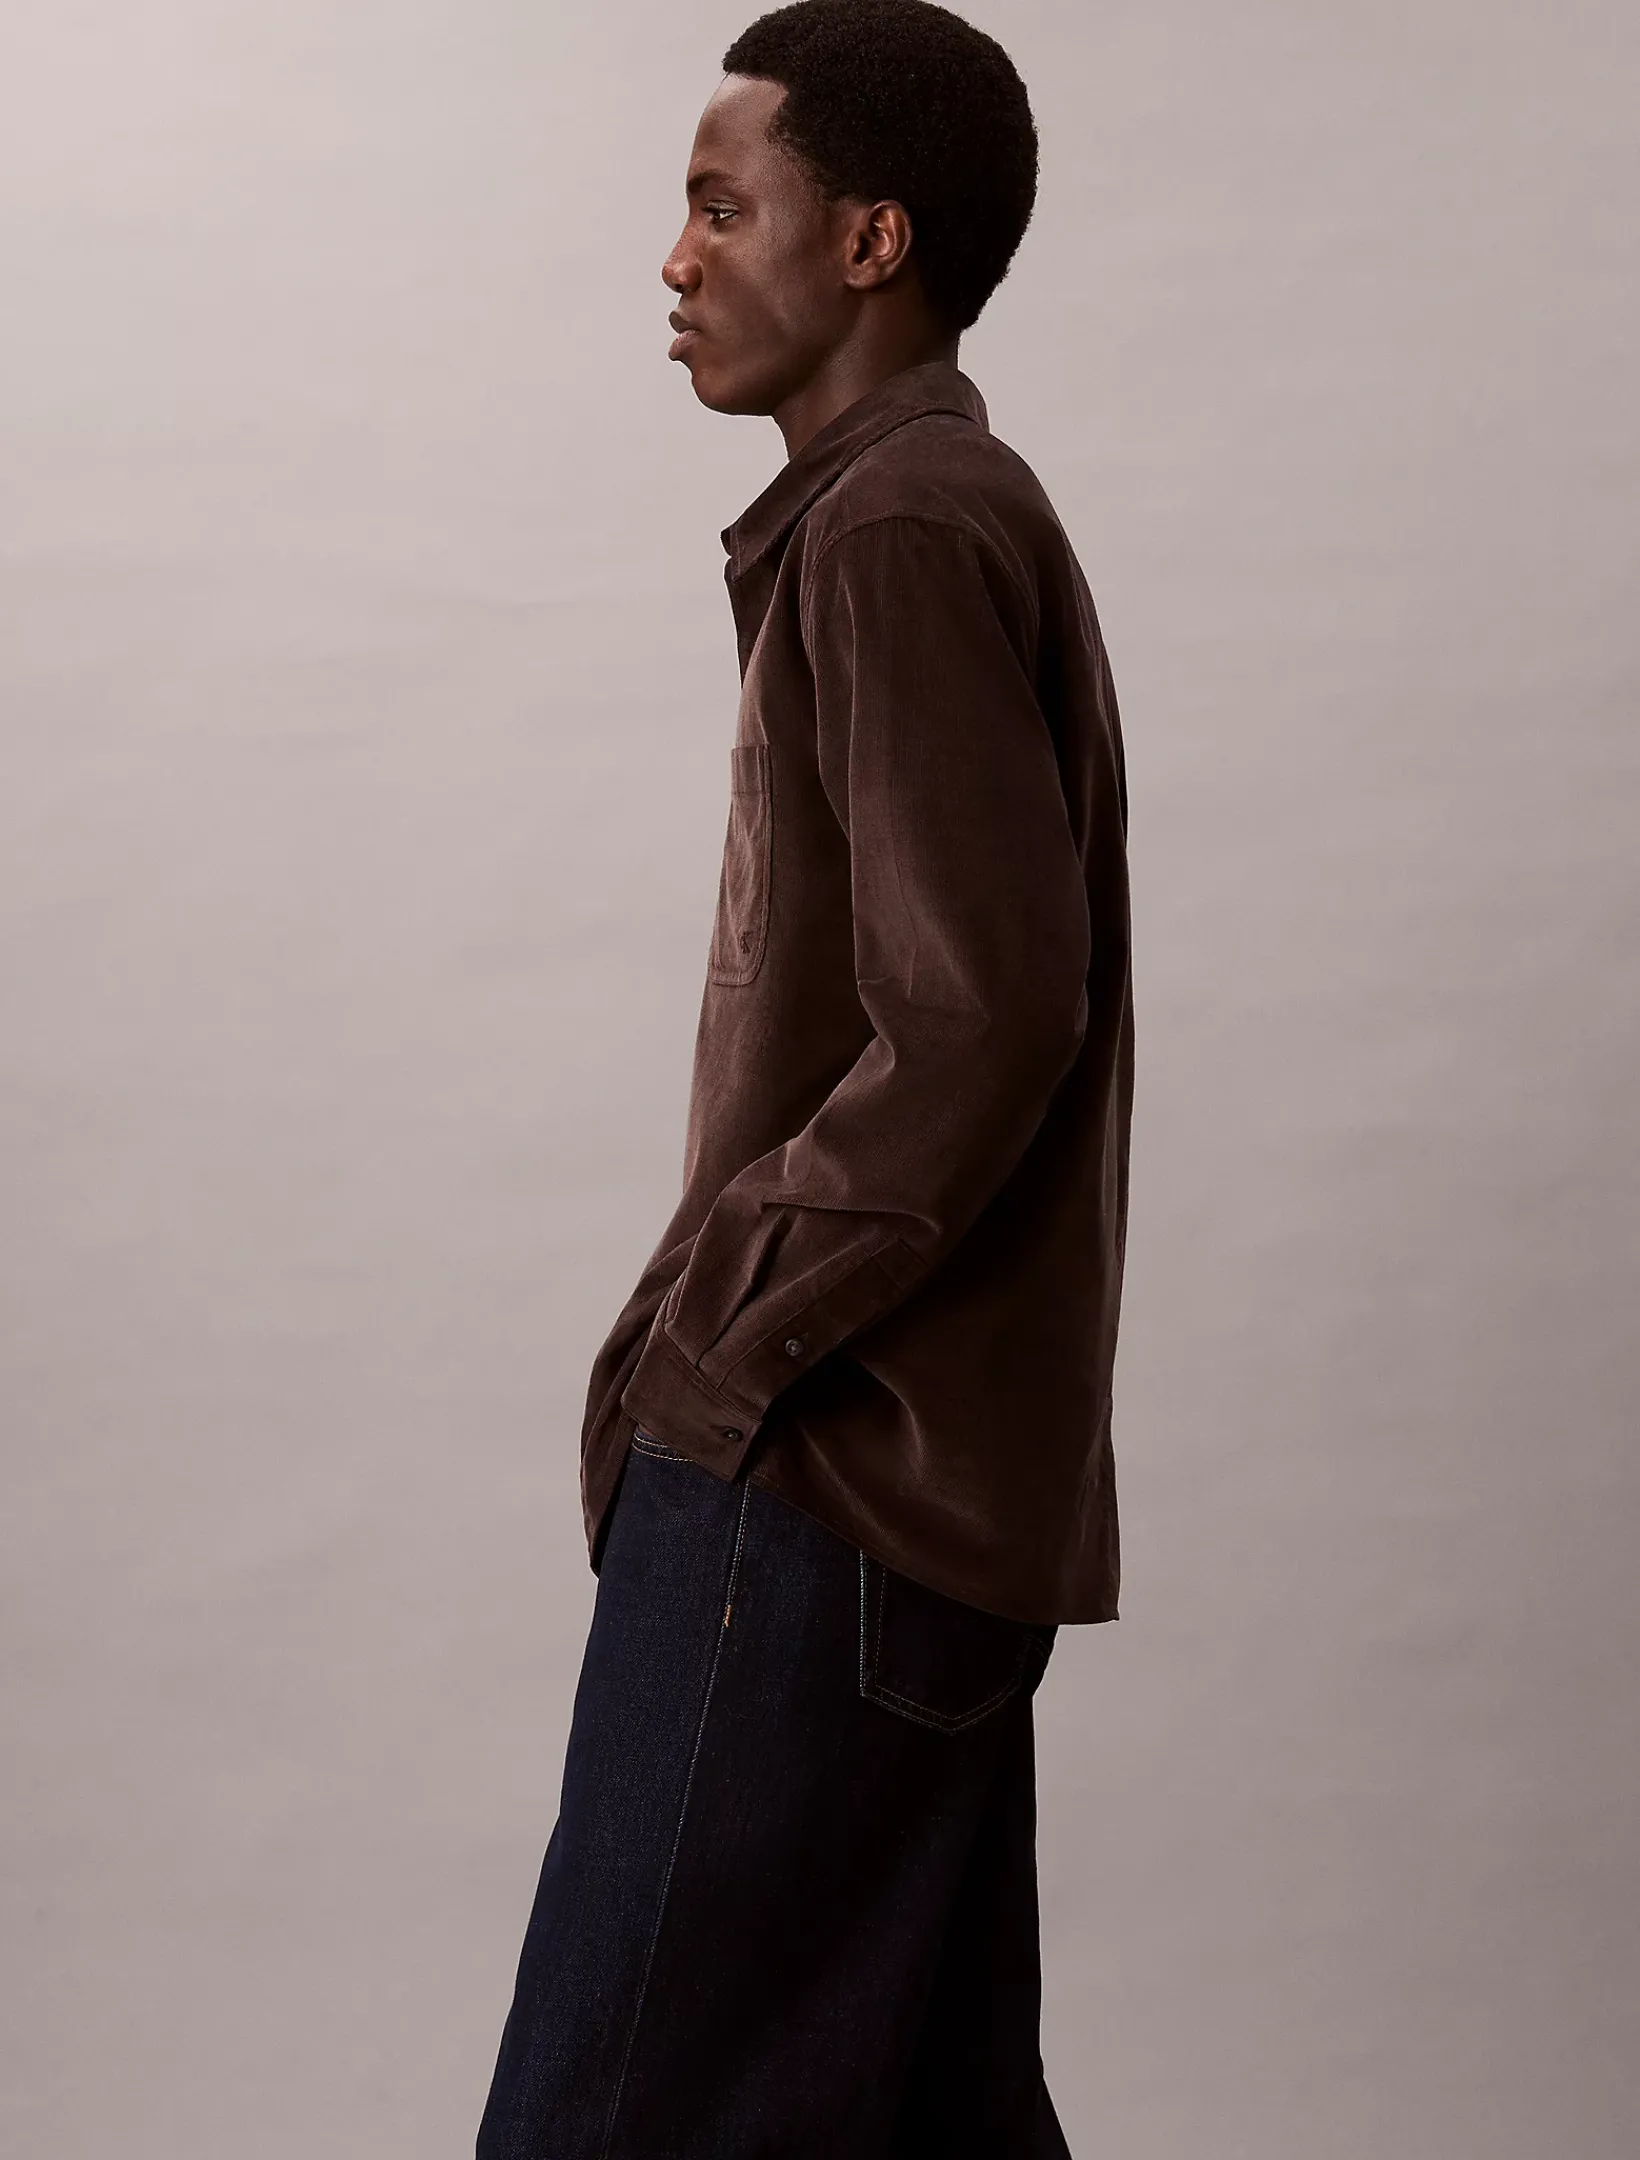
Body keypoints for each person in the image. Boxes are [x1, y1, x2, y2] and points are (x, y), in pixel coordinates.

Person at [476, 3, 1133, 2153]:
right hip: (917, 1510)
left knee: (606, 2120)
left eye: (719, 204)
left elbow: (985, 1014)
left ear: (868, 242)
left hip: (823, 1487)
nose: (674, 259)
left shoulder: (896, 525)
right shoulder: (918, 509)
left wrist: (716, 1353)